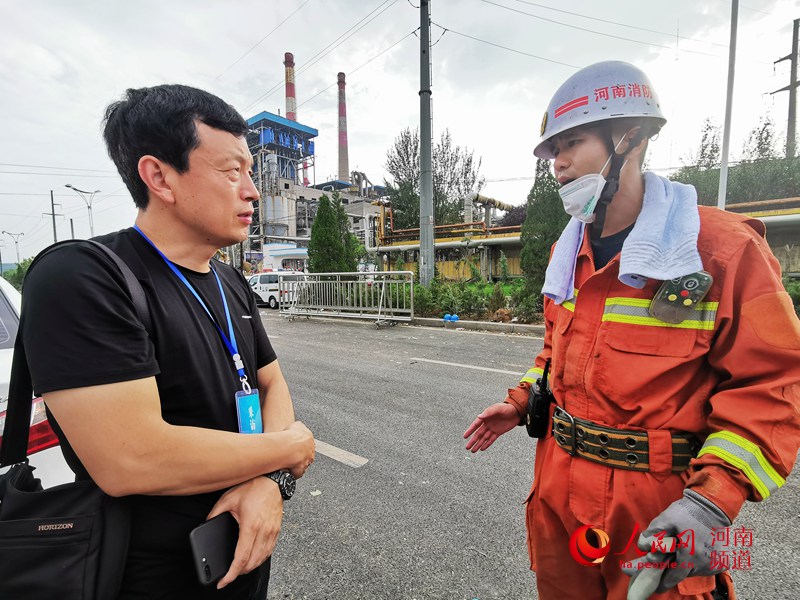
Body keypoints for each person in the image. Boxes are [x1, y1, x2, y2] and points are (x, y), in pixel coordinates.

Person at [464, 61, 800, 600]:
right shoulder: (567, 252)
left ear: (630, 137)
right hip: (559, 495)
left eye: (572, 143)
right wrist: (523, 399)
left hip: (657, 509)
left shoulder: (720, 251)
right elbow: (556, 349)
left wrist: (710, 503)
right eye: (553, 152)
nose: (559, 164)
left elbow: (773, 387)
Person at [19, 84, 315, 599]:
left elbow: (271, 384)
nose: (252, 190)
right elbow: (131, 457)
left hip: (235, 561)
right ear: (159, 176)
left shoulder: (228, 280)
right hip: (138, 576)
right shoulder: (84, 278)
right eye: (231, 172)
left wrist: (271, 481)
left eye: (250, 172)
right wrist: (288, 448)